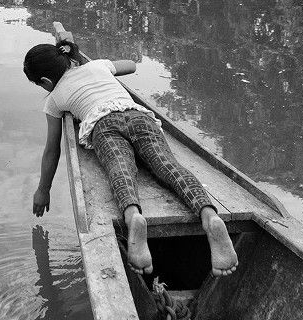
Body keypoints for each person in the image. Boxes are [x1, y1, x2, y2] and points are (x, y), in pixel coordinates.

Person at [23, 37, 238, 277]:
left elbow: (52, 149)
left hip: (103, 125)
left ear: (45, 81)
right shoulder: (97, 66)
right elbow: (131, 65)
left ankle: (134, 216)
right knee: (169, 166)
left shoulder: (54, 100)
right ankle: (210, 217)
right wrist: (87, 62)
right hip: (138, 116)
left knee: (120, 170)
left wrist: (44, 189)